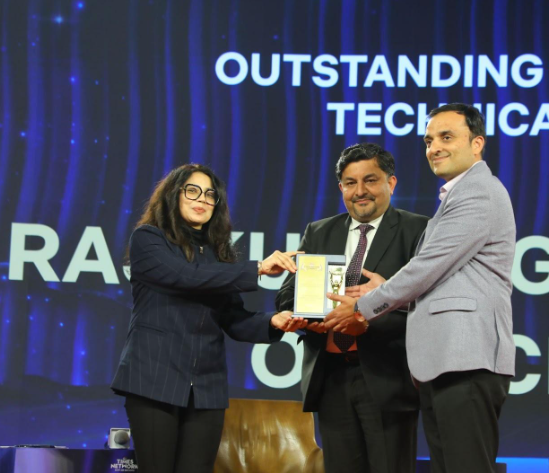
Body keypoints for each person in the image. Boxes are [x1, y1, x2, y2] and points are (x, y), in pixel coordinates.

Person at [325, 104, 516, 473]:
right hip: (445, 362)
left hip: (466, 360)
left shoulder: (478, 192)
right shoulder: (456, 196)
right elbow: (441, 280)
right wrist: (390, 294)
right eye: (429, 141)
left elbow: (427, 268)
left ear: (477, 144)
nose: (434, 148)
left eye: (447, 137)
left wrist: (364, 305)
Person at [111, 163, 307, 473]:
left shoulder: (218, 254)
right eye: (192, 191)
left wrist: (273, 322)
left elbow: (233, 319)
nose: (202, 199)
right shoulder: (148, 239)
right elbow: (185, 276)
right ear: (173, 195)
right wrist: (257, 268)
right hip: (154, 380)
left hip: (206, 388)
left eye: (210, 194)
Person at [275, 143, 429, 473]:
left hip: (388, 378)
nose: (360, 191)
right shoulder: (319, 231)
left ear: (391, 183)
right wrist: (307, 318)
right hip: (331, 377)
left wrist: (368, 319)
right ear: (341, 187)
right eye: (350, 183)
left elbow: (428, 307)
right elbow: (286, 297)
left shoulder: (418, 230)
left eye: (370, 180)